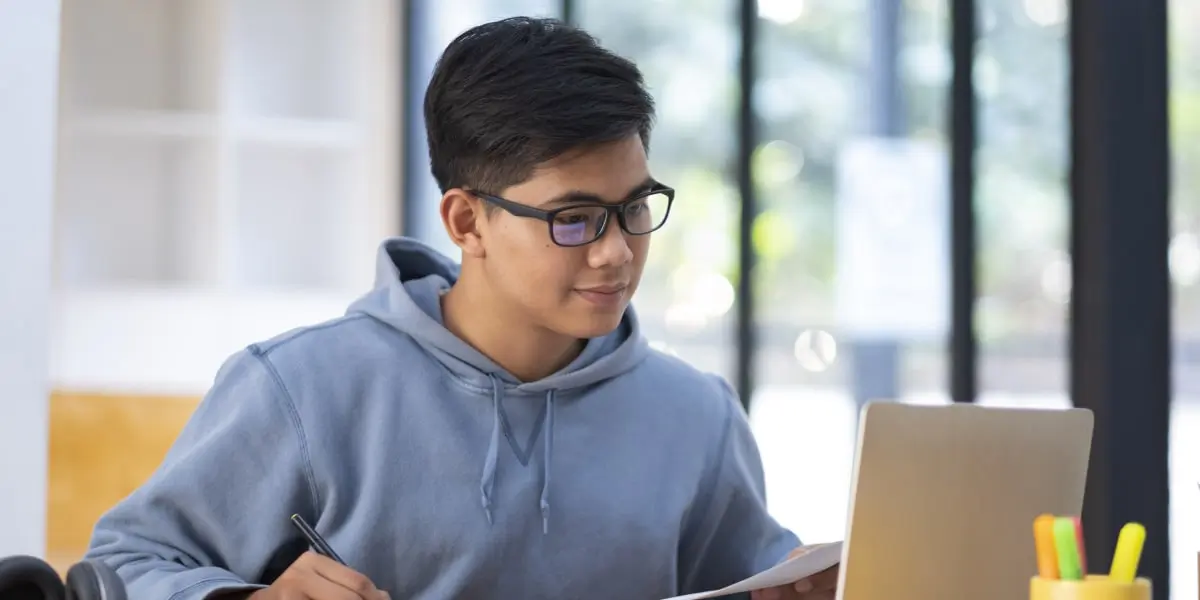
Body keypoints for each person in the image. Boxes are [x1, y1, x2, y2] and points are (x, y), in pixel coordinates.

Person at [84, 16, 837, 600]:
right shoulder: (301, 388)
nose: (615, 251)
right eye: (573, 219)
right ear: (467, 222)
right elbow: (125, 562)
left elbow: (751, 574)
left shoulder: (696, 416)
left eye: (635, 207)